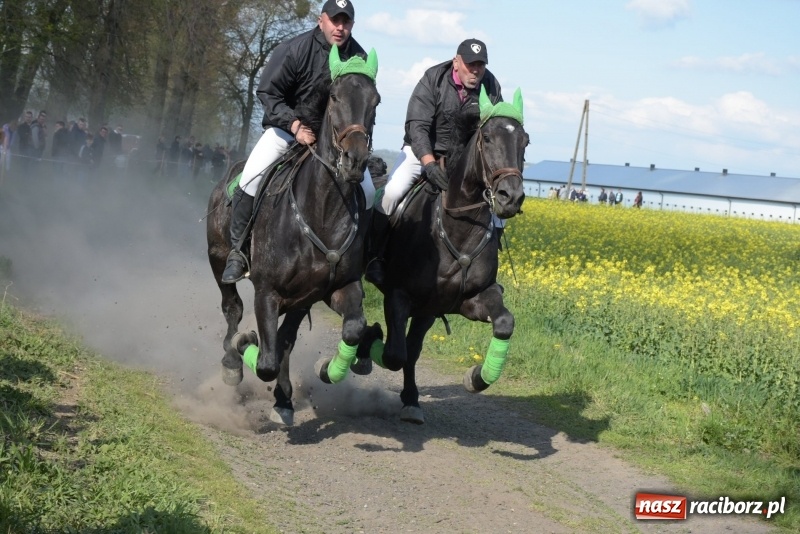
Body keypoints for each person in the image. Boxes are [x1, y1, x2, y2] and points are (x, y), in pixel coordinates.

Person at [221, 0, 371, 284]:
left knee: (371, 192)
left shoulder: (359, 57)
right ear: (321, 20)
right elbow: (267, 92)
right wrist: (294, 125)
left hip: (334, 141)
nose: (340, 28)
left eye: (346, 22)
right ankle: (238, 253)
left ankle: (359, 258)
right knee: (250, 180)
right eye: (335, 20)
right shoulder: (295, 49)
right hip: (287, 130)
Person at [364, 38, 503, 285]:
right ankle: (374, 256)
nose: (476, 70)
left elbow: (496, 131)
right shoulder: (434, 79)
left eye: (480, 65)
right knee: (392, 192)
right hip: (422, 151)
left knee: (497, 207)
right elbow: (417, 126)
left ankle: (487, 271)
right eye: (471, 64)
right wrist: (428, 163)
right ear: (456, 62)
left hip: (463, 161)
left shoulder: (491, 86)